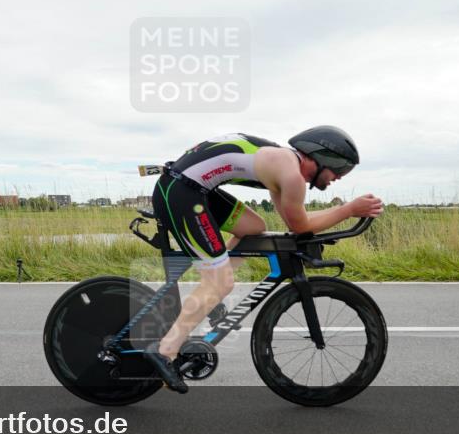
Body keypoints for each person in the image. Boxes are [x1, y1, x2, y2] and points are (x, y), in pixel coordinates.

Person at [145, 127, 384, 393]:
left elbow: (296, 223)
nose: (339, 177)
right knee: (220, 282)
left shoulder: (284, 164)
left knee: (253, 227)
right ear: (321, 157)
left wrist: (345, 210)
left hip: (188, 187)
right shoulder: (291, 175)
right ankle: (165, 351)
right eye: (340, 169)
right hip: (181, 193)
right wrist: (348, 210)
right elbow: (301, 226)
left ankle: (212, 292)